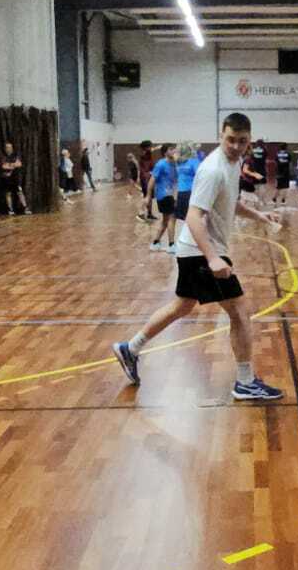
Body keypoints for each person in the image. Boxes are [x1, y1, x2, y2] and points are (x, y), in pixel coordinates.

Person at [112, 113, 285, 402]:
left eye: (242, 141)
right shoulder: (213, 169)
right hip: (201, 251)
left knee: (182, 306)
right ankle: (245, 382)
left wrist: (260, 216)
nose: (235, 146)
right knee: (240, 311)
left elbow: (229, 202)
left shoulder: (234, 163)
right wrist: (213, 258)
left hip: (193, 250)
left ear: (249, 141)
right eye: (230, 140)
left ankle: (131, 348)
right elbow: (193, 216)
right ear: (220, 135)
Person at [148, 144, 179, 253]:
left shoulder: (174, 164)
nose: (174, 150)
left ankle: (155, 243)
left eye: (174, 149)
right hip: (163, 195)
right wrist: (148, 196)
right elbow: (152, 180)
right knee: (172, 219)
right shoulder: (160, 164)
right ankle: (171, 245)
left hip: (170, 195)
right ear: (165, 152)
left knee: (165, 221)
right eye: (171, 149)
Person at [175, 141, 199, 224]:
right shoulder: (193, 161)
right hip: (189, 192)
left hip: (182, 192)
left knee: (184, 218)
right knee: (190, 218)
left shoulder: (178, 162)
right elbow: (200, 175)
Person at [1, 142, 27, 215]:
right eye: (7, 147)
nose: (8, 149)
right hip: (6, 179)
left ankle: (25, 208)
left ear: (12, 148)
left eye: (10, 147)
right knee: (8, 193)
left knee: (20, 192)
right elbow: (3, 166)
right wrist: (13, 165)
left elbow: (19, 164)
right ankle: (10, 209)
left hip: (16, 178)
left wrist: (10, 165)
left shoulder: (15, 156)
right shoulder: (3, 157)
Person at [138, 142, 156, 220]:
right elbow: (145, 169)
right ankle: (141, 213)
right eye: (150, 146)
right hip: (145, 178)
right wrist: (147, 175)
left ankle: (149, 213)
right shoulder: (144, 155)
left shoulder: (148, 154)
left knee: (150, 197)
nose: (151, 148)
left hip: (149, 177)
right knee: (147, 196)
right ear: (146, 147)